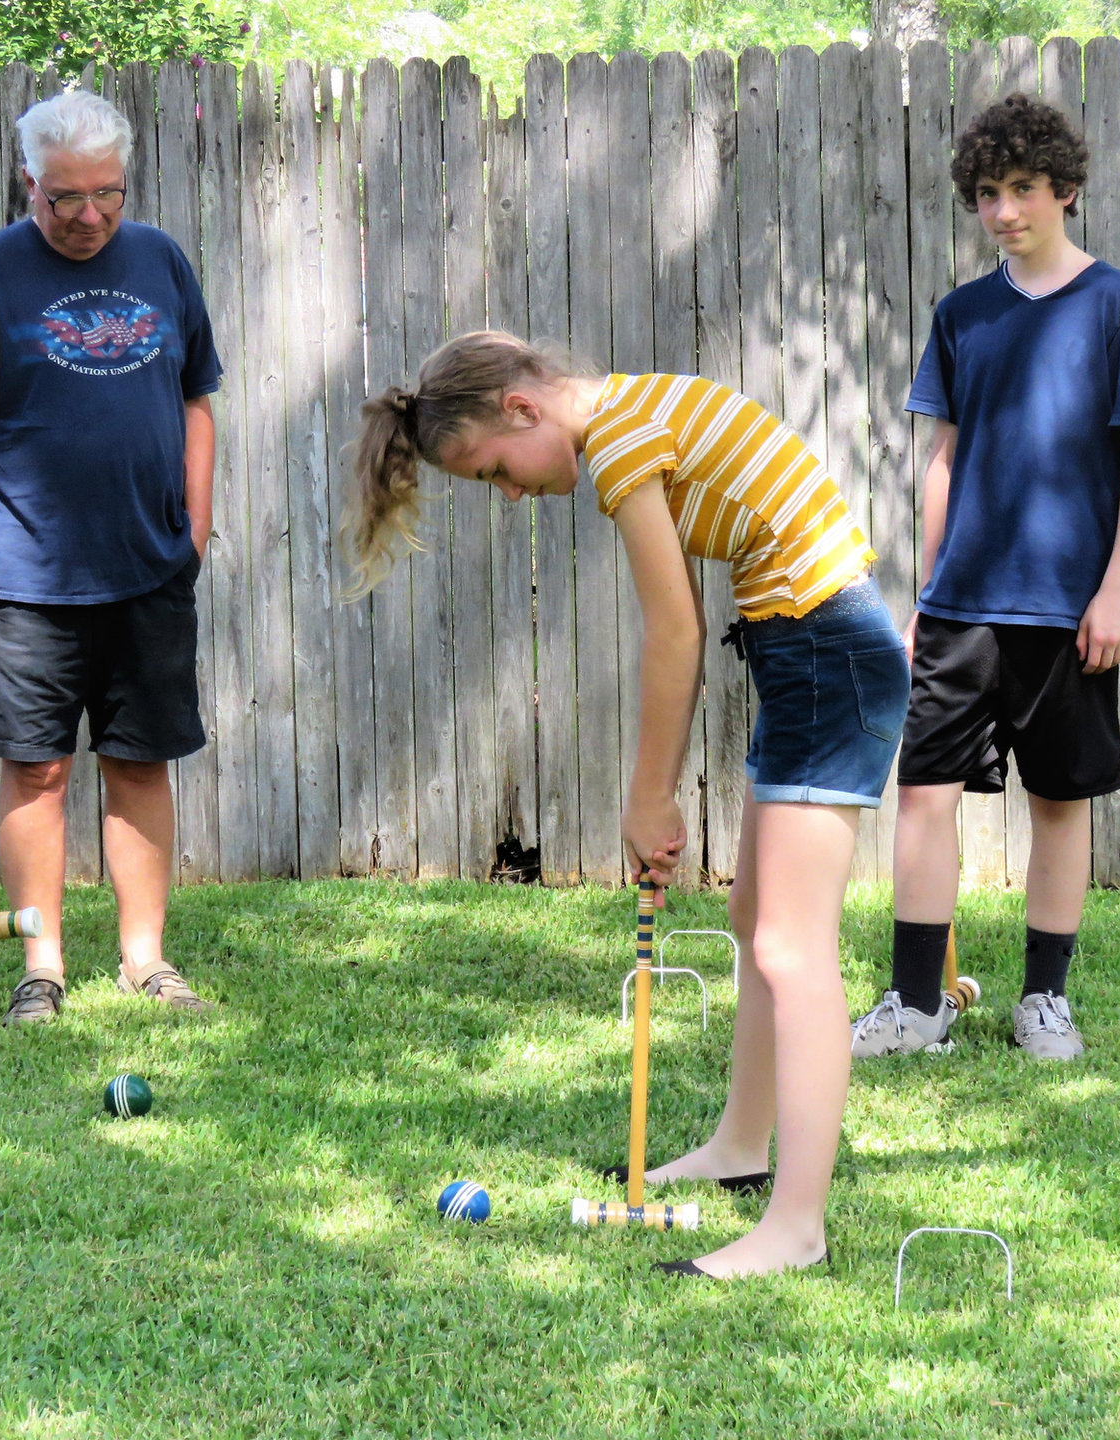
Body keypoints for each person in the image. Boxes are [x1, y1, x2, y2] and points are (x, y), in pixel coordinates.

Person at [344, 334, 908, 1278]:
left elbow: (675, 631)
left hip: (826, 649)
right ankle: (740, 1146)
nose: (514, 495)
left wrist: (648, 798)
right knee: (751, 916)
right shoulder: (632, 414)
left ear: (524, 407)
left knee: (791, 945)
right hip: (798, 640)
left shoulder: (618, 441)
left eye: (495, 474)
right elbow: (689, 604)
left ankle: (797, 1228)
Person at [850, 93, 1120, 1062]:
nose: (1004, 211)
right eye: (987, 193)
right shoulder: (963, 315)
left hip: (1070, 608)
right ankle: (917, 1006)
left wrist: (1118, 589)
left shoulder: (1113, 304)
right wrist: (927, 590)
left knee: (1060, 802)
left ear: (1065, 190)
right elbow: (944, 456)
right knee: (922, 794)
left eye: (1023, 189)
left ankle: (1045, 1000)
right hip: (961, 605)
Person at [0, 89, 223, 1026]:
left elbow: (196, 402)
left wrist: (196, 528)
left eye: (108, 193)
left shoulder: (163, 261)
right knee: (37, 770)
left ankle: (146, 961)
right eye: (65, 198)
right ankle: (42, 968)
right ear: (28, 185)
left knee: (140, 762)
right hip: (22, 576)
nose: (90, 215)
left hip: (147, 565)